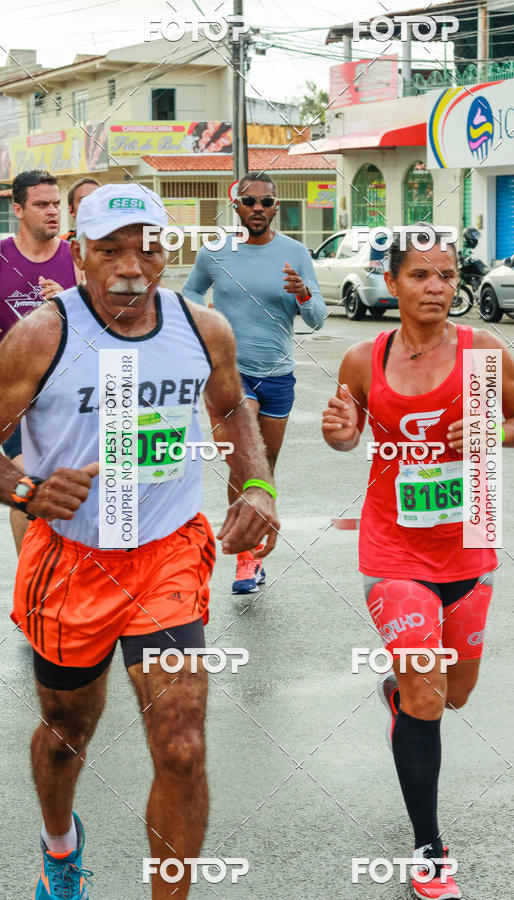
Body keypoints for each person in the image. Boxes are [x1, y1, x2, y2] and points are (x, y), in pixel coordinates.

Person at [0, 182, 279, 900]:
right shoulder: (41, 336)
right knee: (67, 731)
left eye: (148, 248)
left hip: (167, 550)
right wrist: (26, 490)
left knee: (182, 746)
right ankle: (60, 847)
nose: (132, 265)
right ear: (80, 256)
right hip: (71, 557)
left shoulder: (200, 327)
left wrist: (255, 485)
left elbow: (231, 408)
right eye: (112, 250)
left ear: (167, 251)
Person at [322, 230, 514, 899]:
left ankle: (398, 696)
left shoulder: (482, 353)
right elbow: (345, 430)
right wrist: (339, 432)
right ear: (392, 283)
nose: (437, 288)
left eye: (447, 275)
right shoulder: (364, 358)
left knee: (455, 694)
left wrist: (489, 432)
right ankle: (429, 847)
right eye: (420, 275)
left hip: (469, 541)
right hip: (393, 549)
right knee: (427, 693)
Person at [183, 170, 326, 594]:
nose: (257, 209)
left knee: (264, 469)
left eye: (265, 202)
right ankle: (244, 560)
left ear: (275, 207)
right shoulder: (216, 252)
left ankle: (257, 549)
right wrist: (206, 320)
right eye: (249, 202)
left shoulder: (295, 253)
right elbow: (190, 293)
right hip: (232, 374)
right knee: (243, 462)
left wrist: (302, 294)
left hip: (278, 374)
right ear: (237, 207)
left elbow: (317, 319)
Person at [0, 169, 79, 553]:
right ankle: (28, 594)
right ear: (18, 209)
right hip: (14, 395)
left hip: (70, 393)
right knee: (28, 483)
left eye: (56, 204)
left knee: (72, 487)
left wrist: (67, 304)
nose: (53, 212)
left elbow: (101, 332)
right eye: (41, 204)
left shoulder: (76, 260)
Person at [60, 177, 100, 242]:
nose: (91, 205)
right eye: (84, 201)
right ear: (71, 210)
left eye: (97, 200)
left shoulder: (116, 240)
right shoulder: (61, 245)